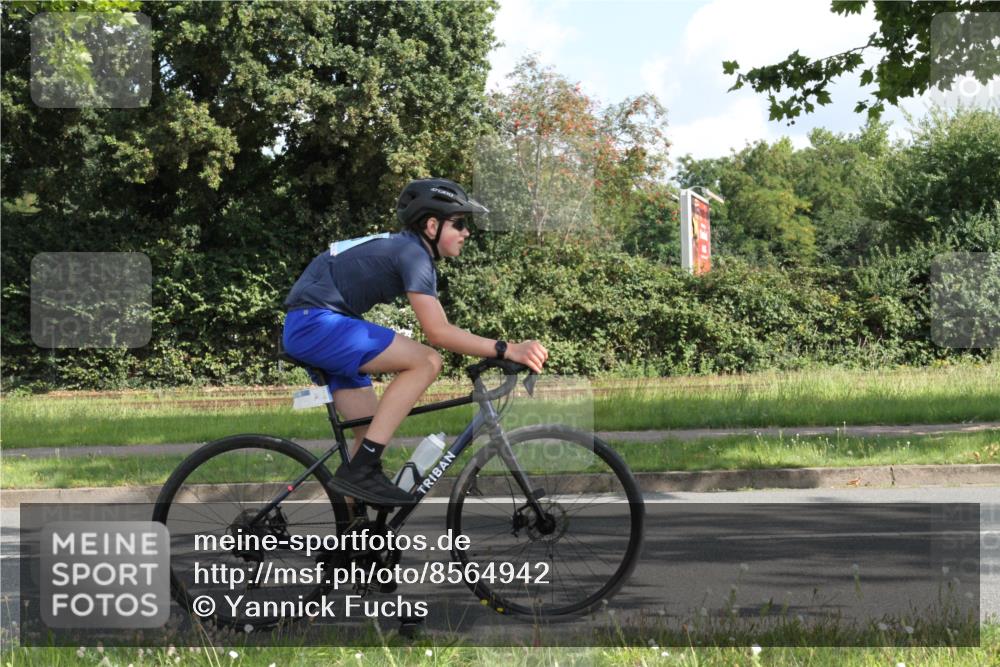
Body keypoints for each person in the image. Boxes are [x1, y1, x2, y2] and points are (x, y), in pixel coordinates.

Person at [281, 178, 549, 507]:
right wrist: (507, 348)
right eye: (460, 224)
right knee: (427, 361)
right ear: (432, 225)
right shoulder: (413, 254)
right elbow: (438, 333)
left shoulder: (405, 249)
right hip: (315, 324)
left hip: (318, 324)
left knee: (369, 436)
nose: (466, 233)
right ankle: (362, 471)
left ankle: (350, 547)